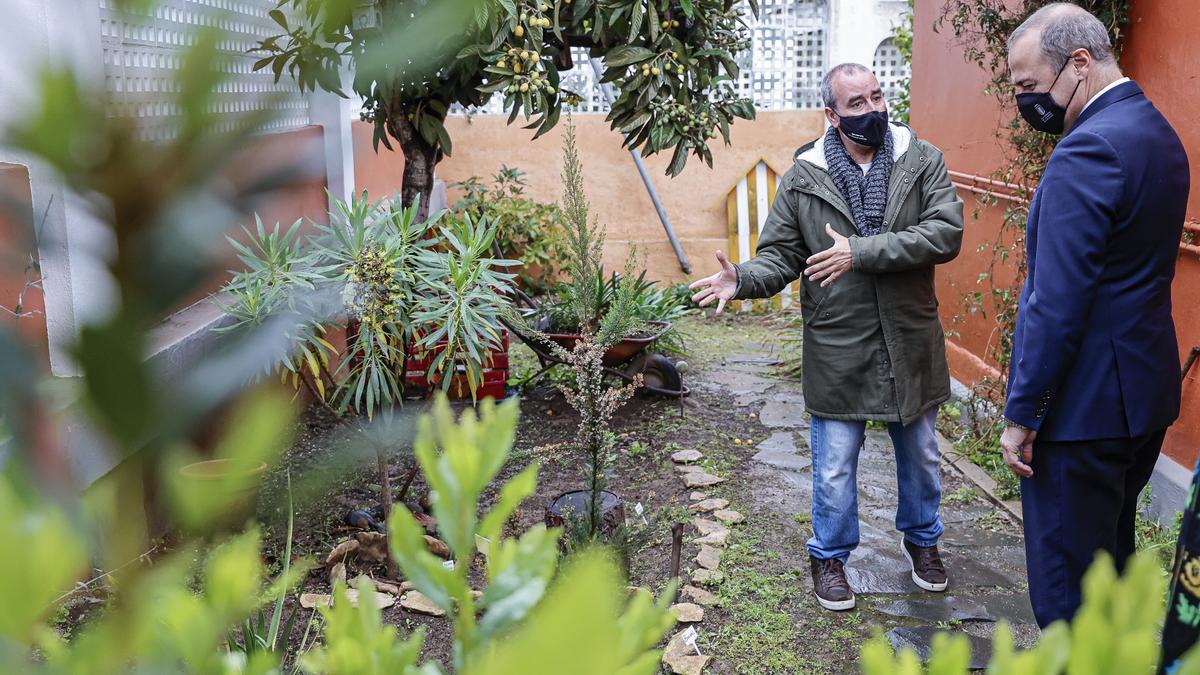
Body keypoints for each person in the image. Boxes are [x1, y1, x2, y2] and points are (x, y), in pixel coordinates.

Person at [689, 63, 964, 611]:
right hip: (839, 344)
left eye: (877, 96)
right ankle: (831, 557)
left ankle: (923, 543)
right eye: (856, 103)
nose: (871, 110)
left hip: (909, 338)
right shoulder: (804, 177)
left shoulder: (921, 159)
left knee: (923, 458)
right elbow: (782, 256)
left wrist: (858, 252)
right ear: (832, 115)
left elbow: (944, 232)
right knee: (835, 465)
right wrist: (741, 278)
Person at [1001, 3, 1190, 628]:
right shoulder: (1158, 132)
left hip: (1081, 416)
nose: (1026, 103)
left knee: (1068, 600)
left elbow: (1055, 304)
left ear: (1079, 62)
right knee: (1108, 574)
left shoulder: (1088, 150)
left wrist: (1022, 413)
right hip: (1141, 400)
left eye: (1030, 86)